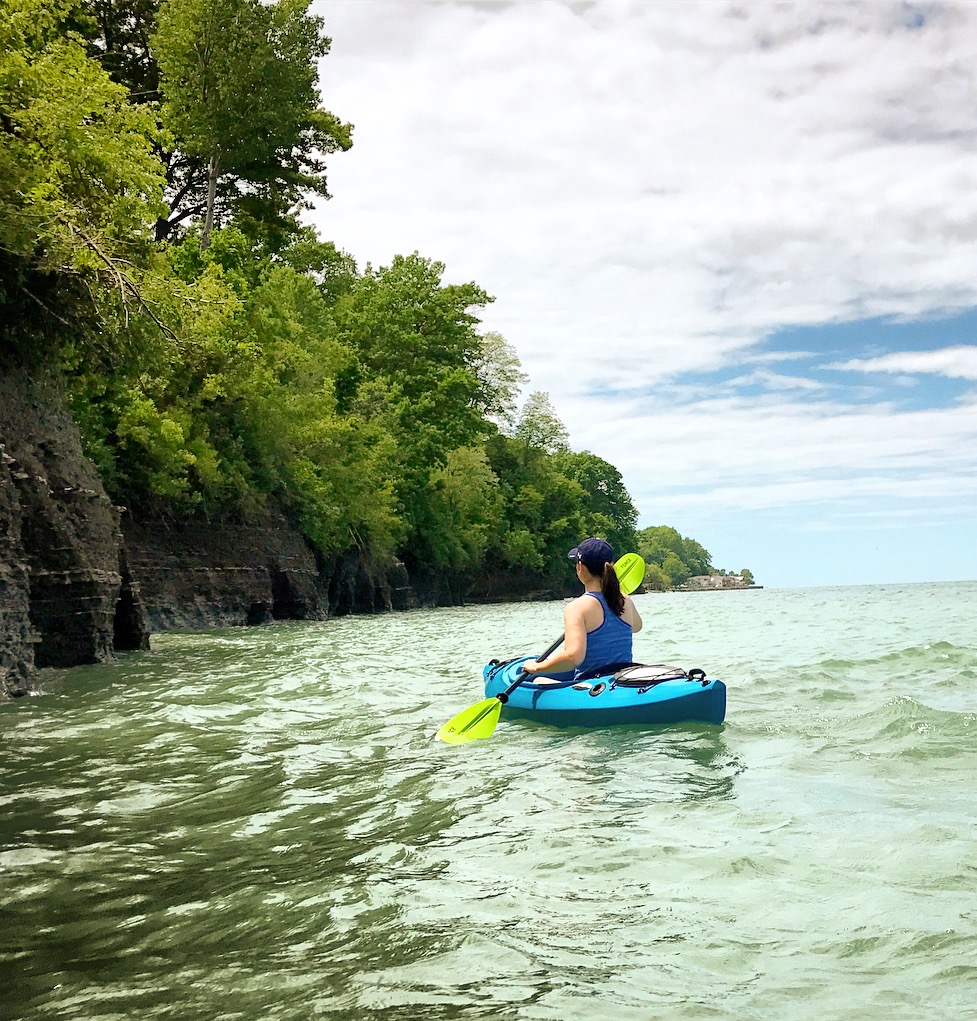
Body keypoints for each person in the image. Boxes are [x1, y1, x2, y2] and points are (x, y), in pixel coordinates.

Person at [523, 537, 642, 682]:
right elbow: (637, 627)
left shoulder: (577, 607)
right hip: (622, 680)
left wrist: (537, 667)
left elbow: (573, 657)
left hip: (591, 687)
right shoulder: (625, 600)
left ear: (580, 567)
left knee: (538, 680)